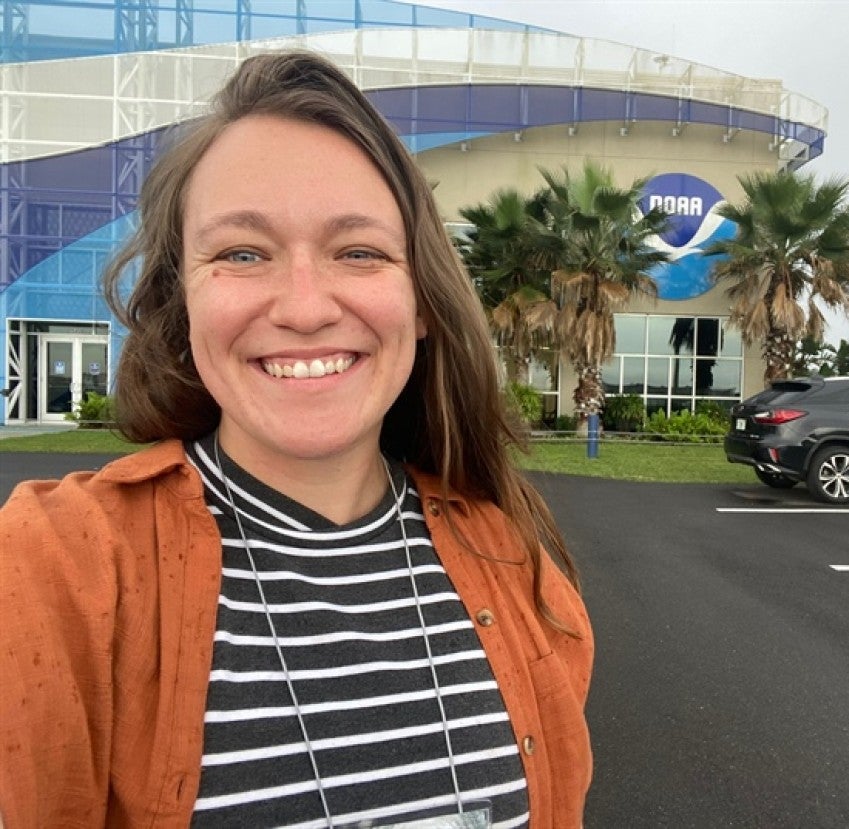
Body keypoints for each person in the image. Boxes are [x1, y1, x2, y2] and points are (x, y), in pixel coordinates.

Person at [0, 51, 592, 828]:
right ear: (184, 303)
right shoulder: (48, 573)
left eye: (360, 251)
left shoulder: (511, 558)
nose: (306, 307)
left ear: (420, 302)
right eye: (243, 252)